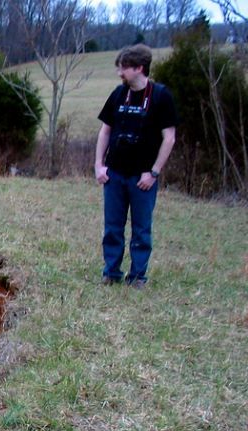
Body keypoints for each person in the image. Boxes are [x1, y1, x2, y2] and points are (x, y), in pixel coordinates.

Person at [94, 44, 177, 289]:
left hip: (142, 178)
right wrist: (99, 165)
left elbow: (169, 137)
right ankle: (111, 272)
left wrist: (154, 172)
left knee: (141, 230)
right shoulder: (119, 95)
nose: (120, 73)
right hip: (115, 174)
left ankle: (138, 276)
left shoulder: (161, 96)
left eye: (124, 68)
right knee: (112, 227)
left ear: (139, 68)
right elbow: (105, 130)